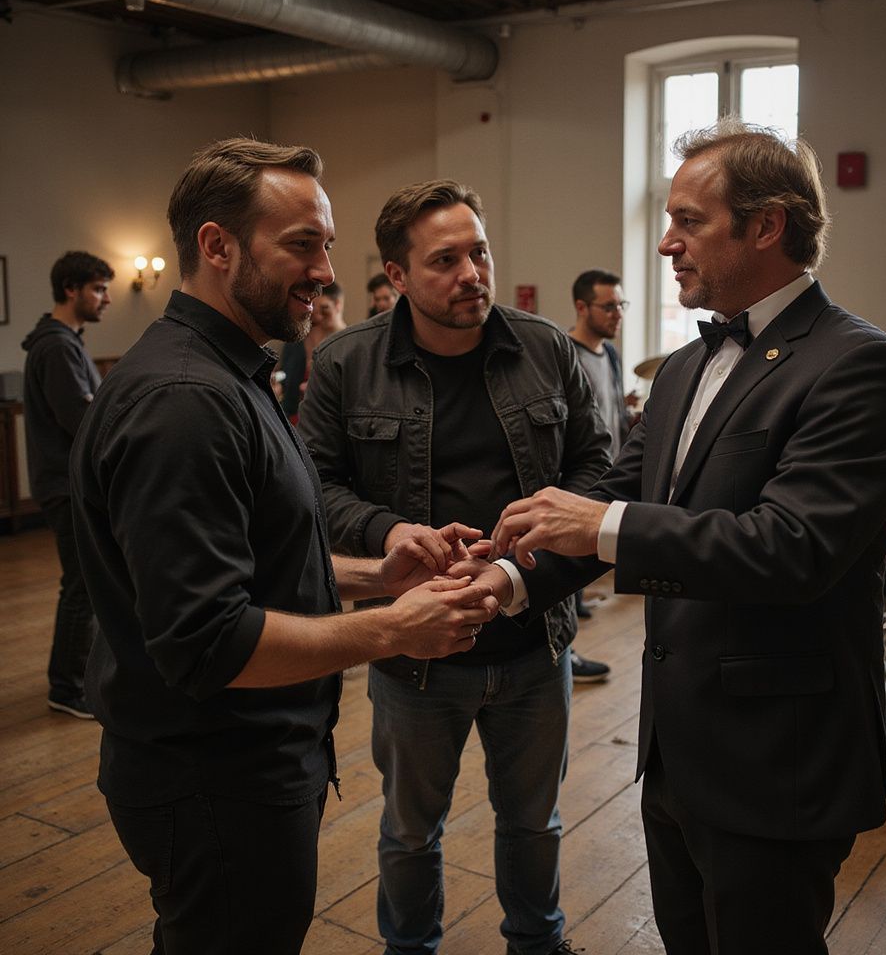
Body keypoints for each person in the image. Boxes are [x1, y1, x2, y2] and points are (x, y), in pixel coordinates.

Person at [470, 120, 886, 955]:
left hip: (776, 756)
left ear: (766, 225)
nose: (665, 244)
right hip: (676, 748)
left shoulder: (859, 364)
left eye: (689, 220)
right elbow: (616, 494)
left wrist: (601, 523)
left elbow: (792, 548)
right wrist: (511, 577)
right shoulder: (682, 366)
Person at [69, 139, 499, 955]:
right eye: (302, 243)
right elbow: (208, 638)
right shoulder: (185, 402)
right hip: (212, 781)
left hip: (241, 766)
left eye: (327, 244)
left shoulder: (231, 373)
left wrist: (379, 576)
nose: (326, 271)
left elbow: (250, 557)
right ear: (217, 246)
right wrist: (394, 630)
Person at [299, 179, 612, 955]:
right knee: (410, 833)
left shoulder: (546, 350)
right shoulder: (345, 364)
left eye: (479, 251)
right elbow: (311, 490)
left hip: (536, 638)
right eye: (445, 259)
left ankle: (537, 942)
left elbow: (599, 470)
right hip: (414, 650)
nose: (472, 272)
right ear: (397, 276)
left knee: (534, 822)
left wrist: (527, 557)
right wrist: (391, 528)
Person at [22, 250, 113, 719]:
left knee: (84, 585)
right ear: (72, 290)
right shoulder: (56, 346)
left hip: (65, 483)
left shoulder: (64, 342)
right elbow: (81, 419)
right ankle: (68, 687)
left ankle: (75, 678)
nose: (107, 298)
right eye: (98, 289)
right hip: (65, 484)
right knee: (82, 587)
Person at [567, 268, 638, 623]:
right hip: (580, 474)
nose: (618, 314)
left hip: (611, 469)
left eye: (620, 304)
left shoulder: (610, 352)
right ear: (582, 307)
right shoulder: (565, 355)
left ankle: (575, 606)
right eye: (608, 307)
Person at [278, 280, 345, 421]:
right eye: (314, 308)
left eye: (325, 309)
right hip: (292, 419)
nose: (318, 316)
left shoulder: (348, 344)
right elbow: (284, 378)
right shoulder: (296, 341)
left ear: (338, 305)